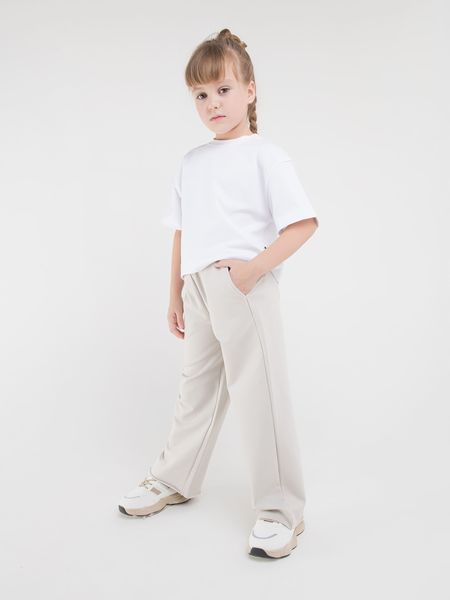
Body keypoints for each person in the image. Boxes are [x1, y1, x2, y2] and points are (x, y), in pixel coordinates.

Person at [118, 28, 319, 559]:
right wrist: (175, 293)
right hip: (199, 287)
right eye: (201, 95)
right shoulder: (192, 161)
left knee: (260, 393)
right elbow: (182, 231)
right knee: (197, 387)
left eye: (224, 90)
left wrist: (252, 272)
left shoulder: (266, 156)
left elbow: (302, 224)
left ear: (249, 91)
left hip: (242, 285)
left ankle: (281, 511)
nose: (213, 104)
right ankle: (175, 477)